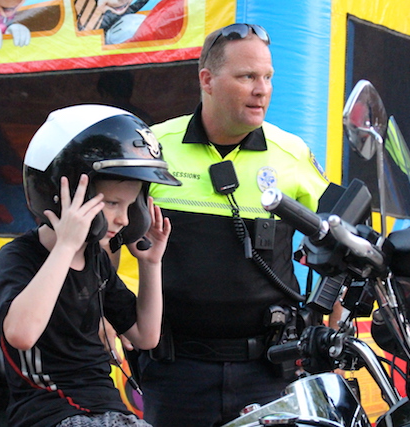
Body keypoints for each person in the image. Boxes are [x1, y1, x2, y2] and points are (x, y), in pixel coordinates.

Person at [141, 23, 332, 426]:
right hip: (176, 373)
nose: (261, 89)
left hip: (268, 372)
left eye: (267, 77)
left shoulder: (291, 153)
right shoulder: (154, 148)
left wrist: (336, 309)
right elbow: (105, 238)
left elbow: (345, 234)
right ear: (207, 80)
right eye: (247, 76)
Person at [0, 104, 180, 427]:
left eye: (129, 206)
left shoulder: (97, 261)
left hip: (108, 409)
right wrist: (66, 245)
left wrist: (151, 264)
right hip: (50, 411)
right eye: (111, 203)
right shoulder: (19, 256)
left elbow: (145, 335)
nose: (123, 219)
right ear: (62, 193)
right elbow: (20, 334)